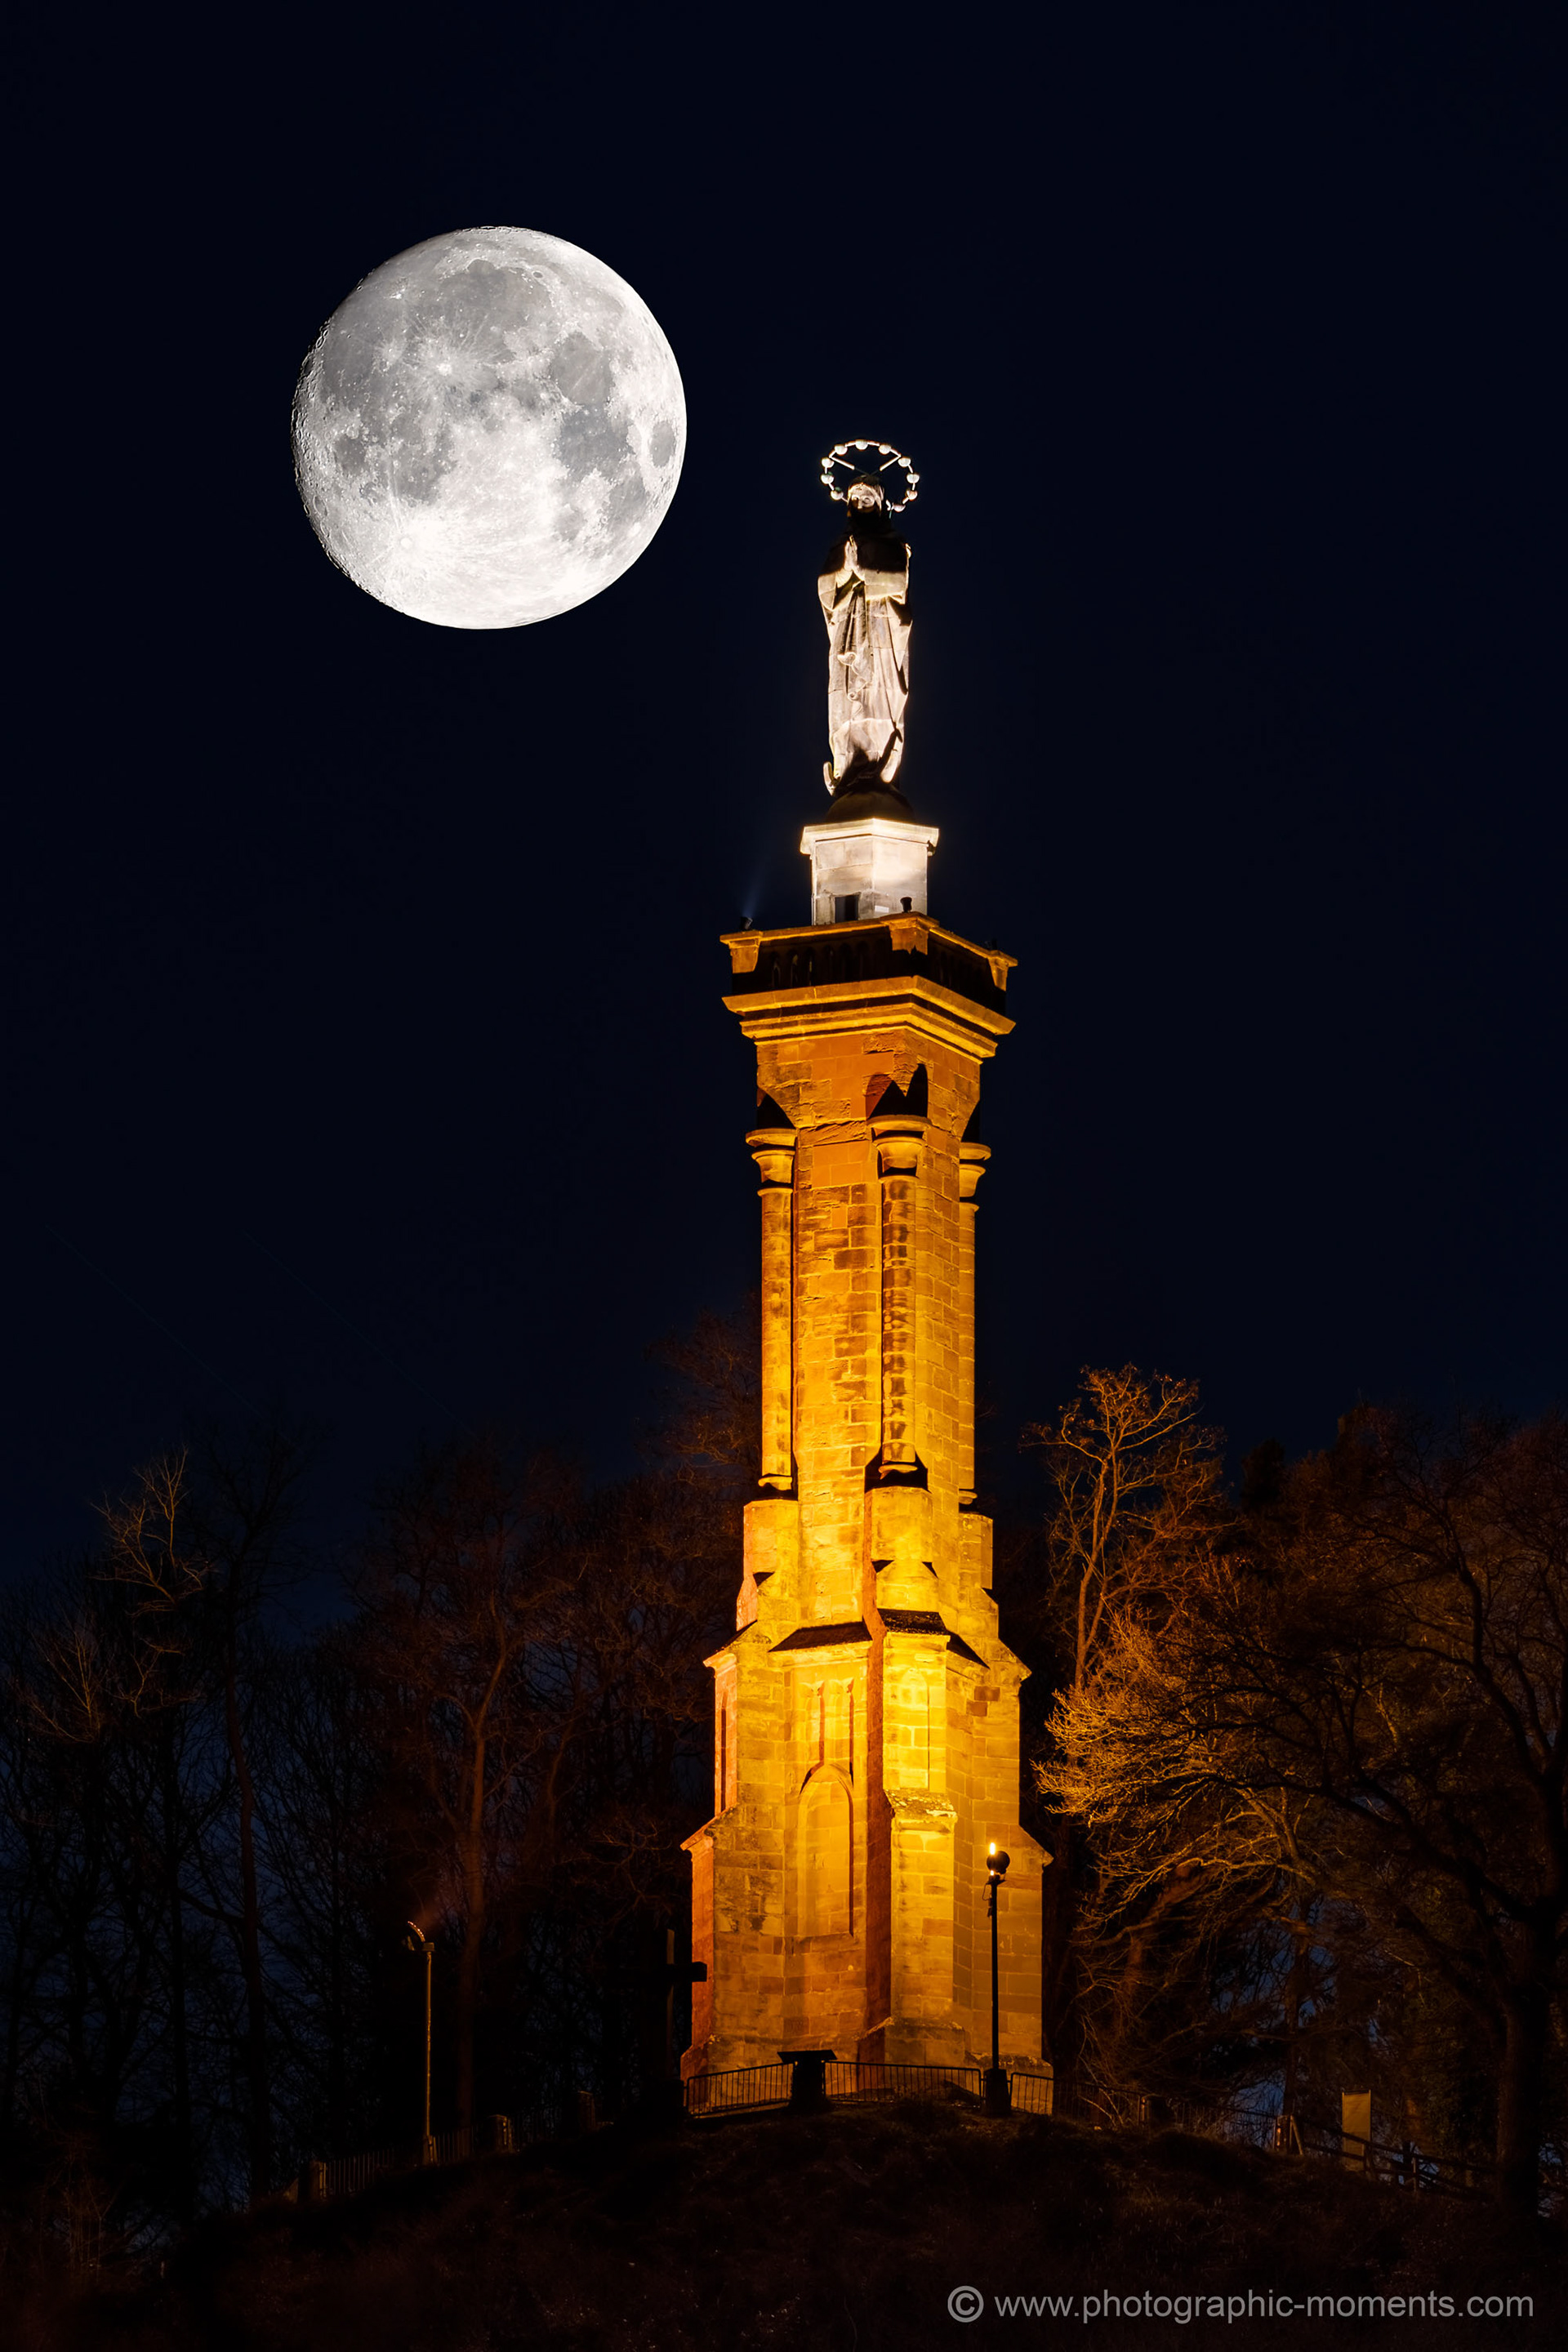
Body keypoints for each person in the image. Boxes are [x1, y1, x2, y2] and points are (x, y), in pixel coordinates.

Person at [818, 474, 911, 793]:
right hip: (847, 637)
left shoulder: (893, 544)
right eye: (855, 500)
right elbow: (825, 590)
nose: (860, 504)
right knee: (846, 700)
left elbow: (898, 583)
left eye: (867, 499)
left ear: (880, 503)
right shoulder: (842, 547)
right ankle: (847, 769)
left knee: (879, 701)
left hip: (881, 633)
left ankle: (880, 763)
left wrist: (863, 573)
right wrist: (844, 571)